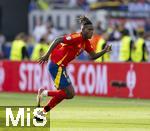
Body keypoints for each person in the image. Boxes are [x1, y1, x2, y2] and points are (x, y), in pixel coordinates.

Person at [34, 16, 112, 121]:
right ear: (83, 30)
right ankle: (43, 93)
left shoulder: (86, 43)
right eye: (89, 30)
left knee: (63, 94)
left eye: (92, 30)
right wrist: (47, 55)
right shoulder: (76, 37)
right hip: (56, 65)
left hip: (61, 67)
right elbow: (57, 40)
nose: (91, 32)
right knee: (69, 94)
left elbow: (92, 56)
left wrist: (104, 51)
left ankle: (41, 113)